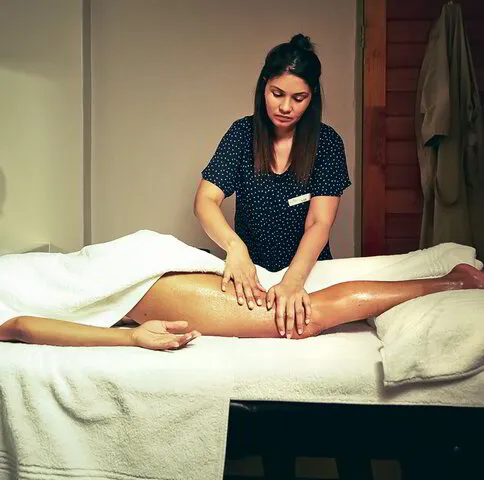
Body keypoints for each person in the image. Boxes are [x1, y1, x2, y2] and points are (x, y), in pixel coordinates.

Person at [194, 33, 351, 338]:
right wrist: (235, 248)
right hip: (251, 275)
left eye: (298, 98)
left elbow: (319, 222)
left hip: (307, 274)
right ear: (263, 86)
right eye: (277, 94)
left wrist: (293, 281)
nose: (285, 107)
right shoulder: (242, 135)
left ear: (312, 97)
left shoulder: (327, 143)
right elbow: (205, 200)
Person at [1, 254, 483, 349]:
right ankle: (449, 280)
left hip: (133, 283)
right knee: (292, 307)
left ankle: (454, 283)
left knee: (300, 316)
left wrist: (131, 338)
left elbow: (22, 326)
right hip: (125, 263)